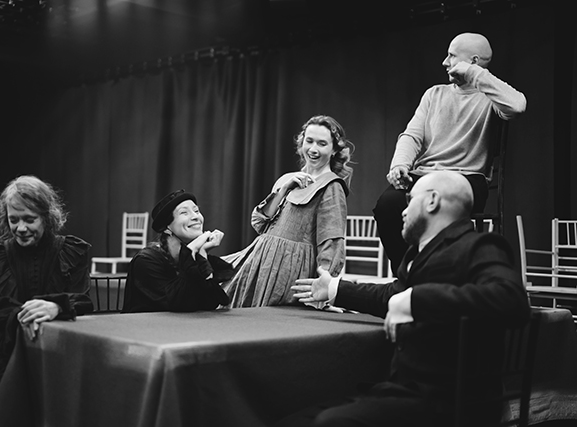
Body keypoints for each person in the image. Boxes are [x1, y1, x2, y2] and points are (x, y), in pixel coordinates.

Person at [287, 171, 530, 427]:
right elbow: (393, 296)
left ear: (432, 201)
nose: (403, 211)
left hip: (453, 405)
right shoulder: (418, 253)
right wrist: (334, 288)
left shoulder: (480, 246)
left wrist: (416, 299)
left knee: (329, 423)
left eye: (410, 200)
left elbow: (511, 300)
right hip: (402, 392)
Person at [374, 32, 527, 275]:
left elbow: (517, 106)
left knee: (437, 208)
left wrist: (474, 73)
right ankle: (408, 274)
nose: (445, 62)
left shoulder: (491, 97)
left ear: (473, 61)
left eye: (452, 56)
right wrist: (400, 165)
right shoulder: (434, 94)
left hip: (466, 178)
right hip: (426, 175)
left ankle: (437, 275)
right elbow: (411, 135)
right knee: (387, 205)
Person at [0, 175, 93, 427]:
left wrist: (57, 306)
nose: (21, 228)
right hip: (9, 346)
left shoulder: (69, 251)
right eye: (13, 220)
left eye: (29, 219)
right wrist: (26, 318)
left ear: (47, 217)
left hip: (60, 349)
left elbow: (82, 300)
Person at [222, 115, 354, 307]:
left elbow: (331, 243)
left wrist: (324, 289)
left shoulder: (331, 186)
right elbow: (259, 223)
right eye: (309, 141)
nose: (313, 149)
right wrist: (284, 189)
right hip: (261, 261)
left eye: (322, 143)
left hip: (289, 271)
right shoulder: (287, 179)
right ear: (302, 143)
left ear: (334, 150)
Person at [121, 189, 232, 312]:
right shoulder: (145, 261)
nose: (196, 216)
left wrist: (202, 254)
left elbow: (213, 302)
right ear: (166, 228)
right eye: (184, 213)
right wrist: (191, 253)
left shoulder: (195, 256)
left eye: (196, 211)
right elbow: (180, 304)